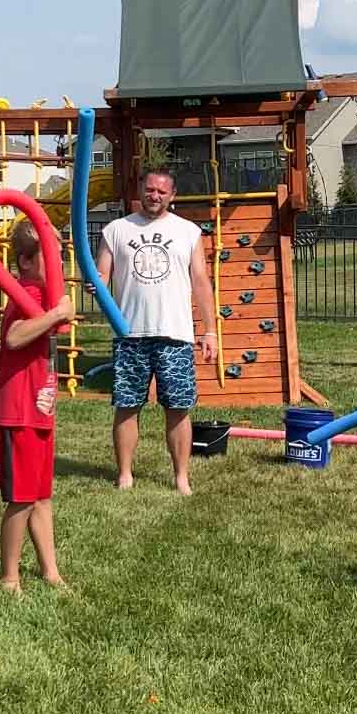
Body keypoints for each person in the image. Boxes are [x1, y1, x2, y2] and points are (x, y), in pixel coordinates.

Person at [96, 165, 217, 495]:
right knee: (127, 405)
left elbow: (201, 281)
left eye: (162, 191)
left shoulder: (188, 232)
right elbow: (101, 276)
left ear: (172, 195)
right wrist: (97, 289)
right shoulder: (116, 230)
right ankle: (124, 474)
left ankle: (181, 477)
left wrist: (210, 331)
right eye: (150, 190)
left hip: (174, 334)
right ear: (141, 190)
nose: (155, 196)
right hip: (129, 335)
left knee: (178, 407)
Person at [0, 219, 75, 592]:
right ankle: (10, 577)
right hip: (18, 410)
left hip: (41, 410)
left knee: (42, 497)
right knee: (21, 500)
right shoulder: (25, 293)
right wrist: (55, 315)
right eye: (51, 257)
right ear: (26, 261)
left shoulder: (44, 293)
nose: (59, 264)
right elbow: (13, 337)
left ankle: (50, 571)